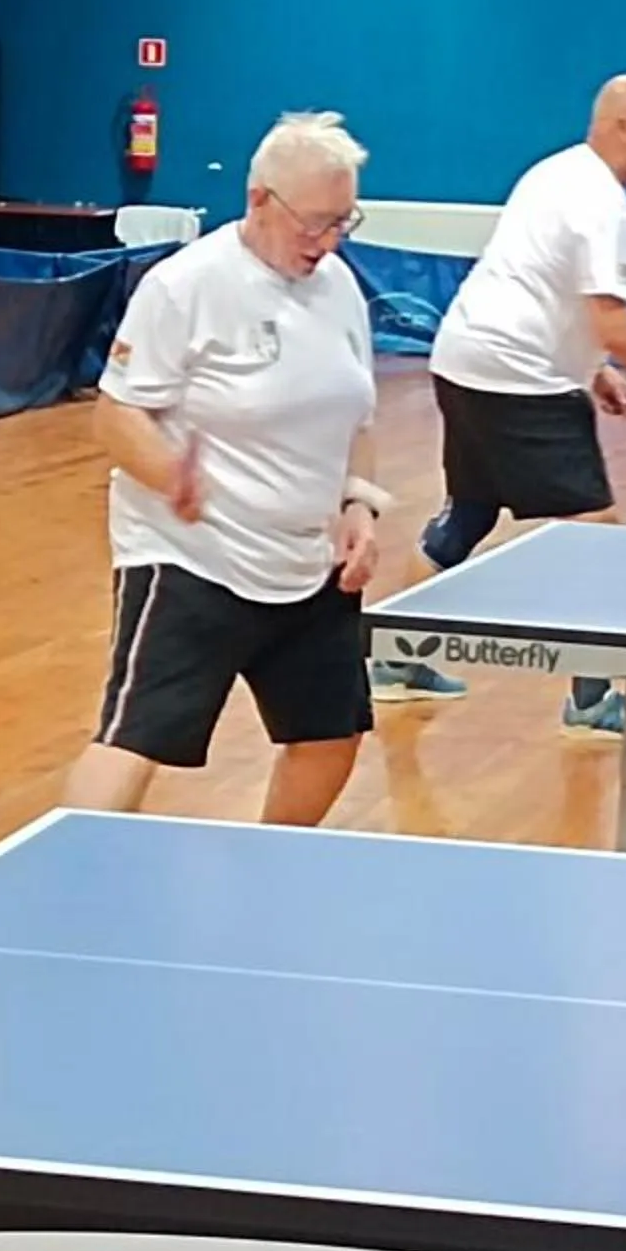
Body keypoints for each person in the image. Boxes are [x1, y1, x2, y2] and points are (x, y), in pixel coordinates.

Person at [370, 75, 626, 732]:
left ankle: (397, 661)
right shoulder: (608, 213)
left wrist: (593, 370)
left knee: (470, 510)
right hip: (519, 377)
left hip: (463, 360)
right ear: (621, 126)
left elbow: (541, 282)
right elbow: (615, 325)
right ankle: (590, 702)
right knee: (593, 534)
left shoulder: (556, 171)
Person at [63, 113, 383, 826]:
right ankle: (70, 872)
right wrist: (169, 474)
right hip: (192, 558)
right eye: (315, 223)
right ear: (259, 199)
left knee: (330, 737)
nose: (328, 241)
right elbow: (116, 414)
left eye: (343, 222)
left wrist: (358, 503)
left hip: (309, 560)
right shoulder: (185, 286)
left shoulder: (338, 288)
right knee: (134, 741)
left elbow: (355, 415)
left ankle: (272, 870)